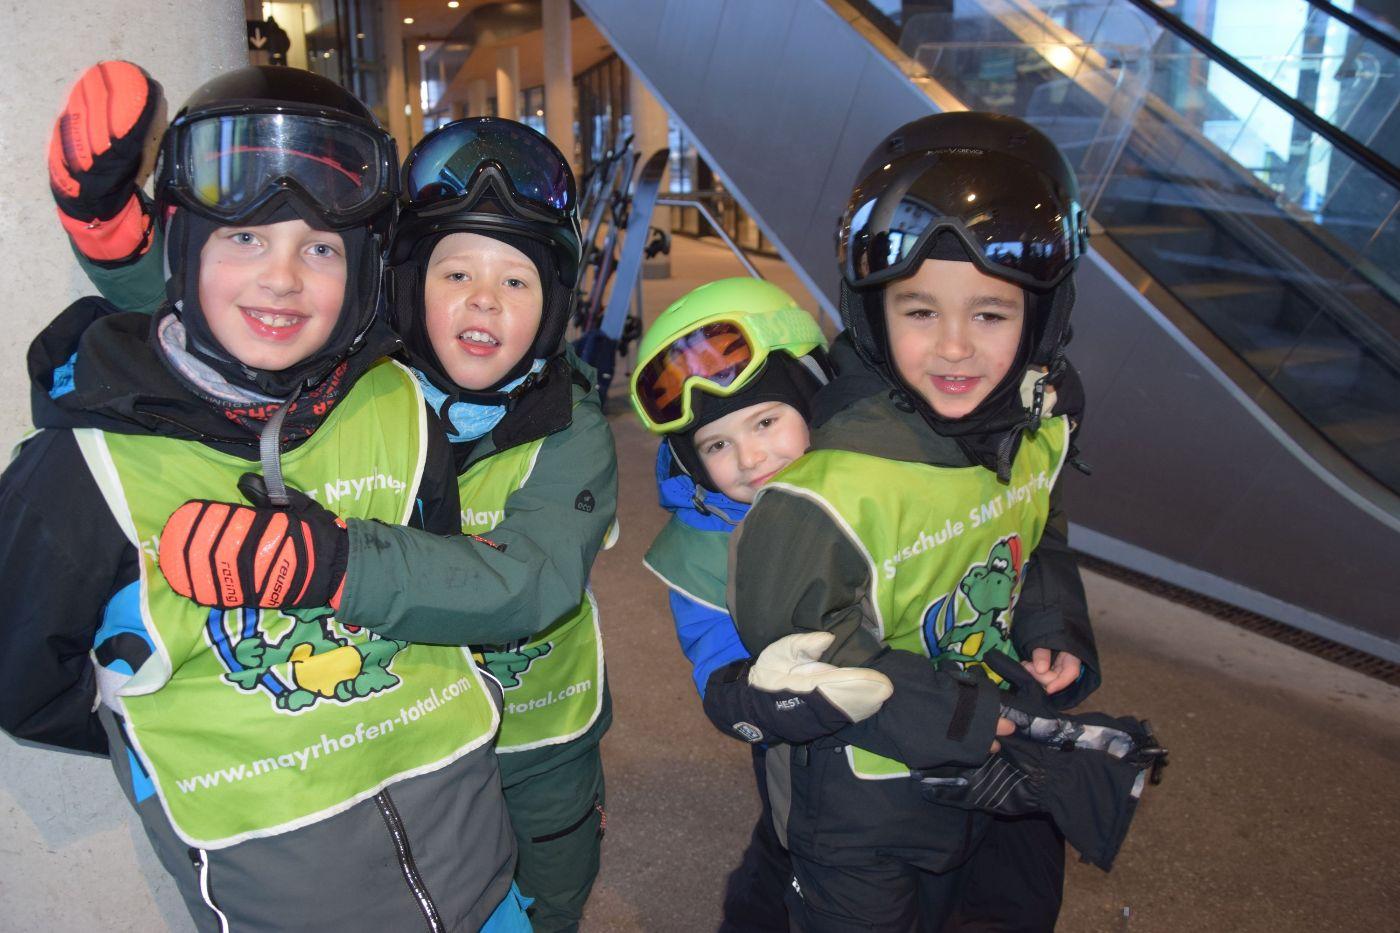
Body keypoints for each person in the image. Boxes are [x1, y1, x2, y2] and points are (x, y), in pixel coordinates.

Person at [3, 63, 527, 931]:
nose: (283, 278)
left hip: (479, 874)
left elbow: (449, 582)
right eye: (245, 238)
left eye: (319, 248)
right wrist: (160, 736)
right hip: (284, 903)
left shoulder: (399, 407)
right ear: (183, 249)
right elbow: (25, 676)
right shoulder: (86, 466)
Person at [727, 111, 1102, 931]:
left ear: (1041, 317)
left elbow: (1038, 536)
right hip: (864, 809)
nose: (955, 348)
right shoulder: (829, 486)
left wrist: (1054, 627)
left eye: (991, 314)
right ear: (873, 312)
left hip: (1000, 761)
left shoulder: (1033, 427)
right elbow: (805, 659)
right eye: (921, 311)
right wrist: (964, 719)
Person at [631, 277, 895, 932]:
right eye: (717, 445)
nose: (750, 457)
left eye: (767, 421)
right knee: (790, 847)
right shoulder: (703, 544)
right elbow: (714, 656)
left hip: (916, 721)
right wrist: (751, 698)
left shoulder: (877, 475)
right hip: (800, 745)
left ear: (812, 397)